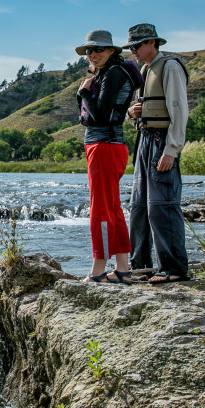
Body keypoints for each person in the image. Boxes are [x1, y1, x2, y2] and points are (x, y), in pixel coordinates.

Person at [124, 23, 190, 283]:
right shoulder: (144, 70)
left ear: (152, 42)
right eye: (130, 47)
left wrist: (171, 150)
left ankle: (173, 269)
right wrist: (131, 114)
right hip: (145, 140)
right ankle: (140, 265)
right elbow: (143, 110)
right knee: (139, 206)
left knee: (162, 205)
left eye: (136, 46)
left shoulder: (170, 67)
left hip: (162, 141)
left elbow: (179, 111)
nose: (133, 51)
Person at [75, 30, 135, 284]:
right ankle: (123, 269)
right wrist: (85, 93)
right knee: (113, 208)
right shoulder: (109, 74)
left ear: (111, 51)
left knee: (100, 210)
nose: (93, 54)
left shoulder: (112, 75)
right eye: (89, 50)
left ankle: (98, 270)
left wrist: (84, 93)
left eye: (98, 49)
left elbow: (99, 115)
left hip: (104, 147)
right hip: (110, 146)